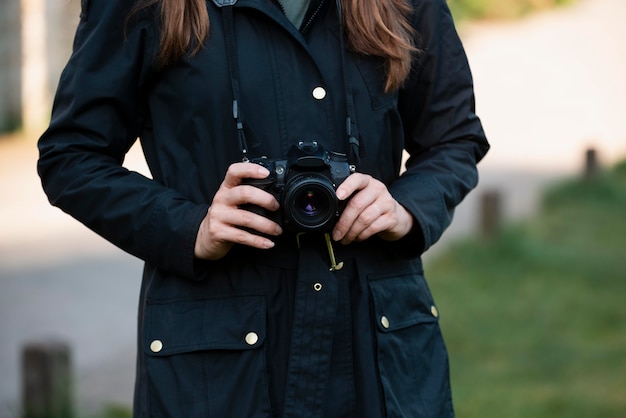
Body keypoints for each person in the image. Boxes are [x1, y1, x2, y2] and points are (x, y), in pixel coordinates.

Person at [38, 0, 489, 415]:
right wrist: (190, 227)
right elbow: (72, 157)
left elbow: (454, 138)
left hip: (378, 352)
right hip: (216, 367)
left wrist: (405, 208)